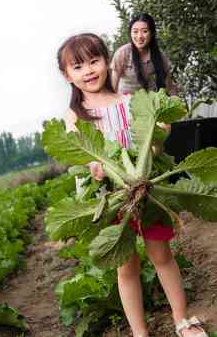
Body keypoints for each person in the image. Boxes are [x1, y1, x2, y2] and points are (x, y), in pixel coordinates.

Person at [57, 33, 208, 337]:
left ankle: (182, 319)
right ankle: (140, 333)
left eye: (93, 61)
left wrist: (158, 137)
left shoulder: (129, 102)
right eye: (78, 66)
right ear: (67, 75)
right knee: (125, 267)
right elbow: (79, 148)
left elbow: (153, 144)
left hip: (146, 191)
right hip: (109, 197)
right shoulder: (75, 114)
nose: (88, 70)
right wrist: (95, 166)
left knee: (162, 254)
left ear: (106, 61)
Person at [111, 13, 177, 96]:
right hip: (126, 104)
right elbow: (112, 89)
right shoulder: (122, 53)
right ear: (130, 33)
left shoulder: (160, 56)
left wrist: (178, 104)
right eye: (135, 31)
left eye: (145, 31)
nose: (139, 36)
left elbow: (170, 88)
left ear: (152, 33)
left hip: (150, 106)